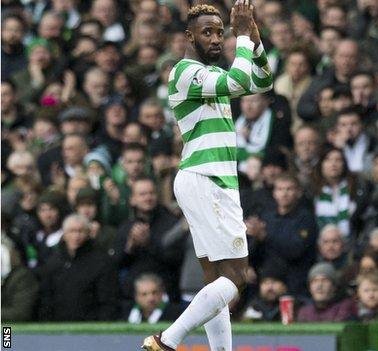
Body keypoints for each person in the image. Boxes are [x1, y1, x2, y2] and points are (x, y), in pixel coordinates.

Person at [142, 2, 273, 350]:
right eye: (207, 32)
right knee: (238, 276)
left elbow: (261, 81)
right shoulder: (185, 72)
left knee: (215, 279)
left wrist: (254, 41)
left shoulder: (208, 76)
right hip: (208, 178)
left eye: (221, 32)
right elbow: (241, 79)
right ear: (189, 35)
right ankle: (166, 340)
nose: (217, 39)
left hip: (202, 179)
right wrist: (241, 36)